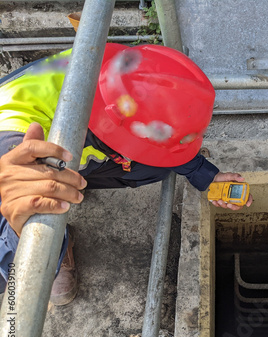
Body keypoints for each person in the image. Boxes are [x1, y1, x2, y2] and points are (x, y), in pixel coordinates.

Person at [0, 43, 252, 305]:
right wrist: (25, 235)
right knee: (34, 213)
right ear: (110, 127)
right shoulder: (16, 153)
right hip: (19, 166)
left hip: (70, 149)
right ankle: (54, 238)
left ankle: (69, 190)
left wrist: (205, 175)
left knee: (156, 166)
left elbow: (158, 126)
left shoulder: (126, 74)